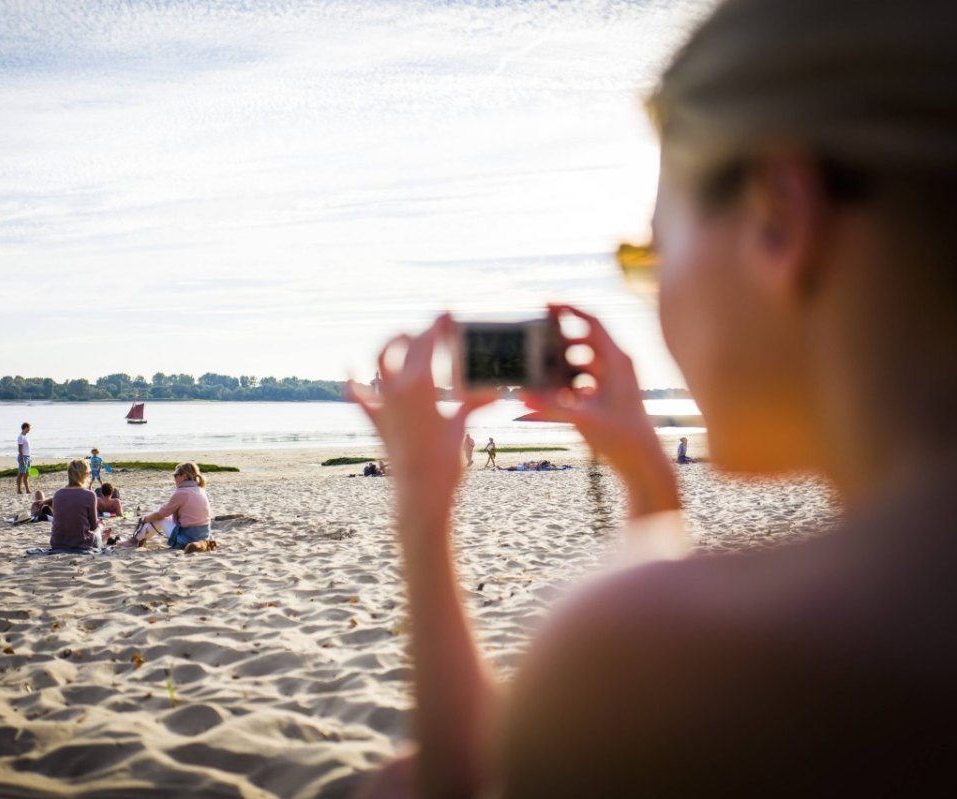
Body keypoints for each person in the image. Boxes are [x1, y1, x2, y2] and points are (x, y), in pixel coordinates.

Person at [347, 1, 957, 794]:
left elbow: (465, 777)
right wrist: (644, 472)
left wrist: (423, 511)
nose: (656, 296)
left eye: (652, 254)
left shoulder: (648, 648)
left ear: (779, 216)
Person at [126, 462, 212, 550]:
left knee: (158, 516)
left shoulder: (182, 492)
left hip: (188, 537)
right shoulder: (200, 489)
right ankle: (138, 539)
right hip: (204, 535)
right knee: (162, 514)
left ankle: (134, 540)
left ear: (184, 476)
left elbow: (161, 514)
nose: (174, 479)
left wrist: (146, 519)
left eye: (175, 475)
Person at [49, 459, 108, 550]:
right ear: (86, 475)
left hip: (57, 543)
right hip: (82, 543)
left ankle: (101, 539)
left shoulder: (58, 494)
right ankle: (102, 539)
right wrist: (100, 525)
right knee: (100, 525)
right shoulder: (89, 495)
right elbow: (93, 525)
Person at [16, 422, 31, 495]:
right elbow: (20, 449)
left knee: (27, 474)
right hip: (23, 457)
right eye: (29, 428)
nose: (29, 430)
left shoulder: (25, 437)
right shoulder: (20, 437)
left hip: (27, 457)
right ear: (26, 428)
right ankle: (18, 490)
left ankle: (27, 490)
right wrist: (22, 459)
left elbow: (26, 448)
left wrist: (29, 457)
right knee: (21, 474)